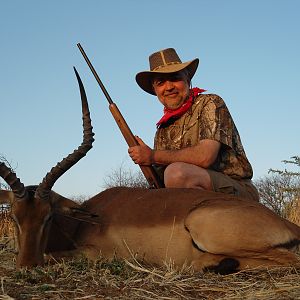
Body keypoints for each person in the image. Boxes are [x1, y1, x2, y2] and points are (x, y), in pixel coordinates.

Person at [128, 48, 259, 201]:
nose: (169, 87)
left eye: (175, 78)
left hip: (235, 188)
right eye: (161, 82)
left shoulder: (210, 103)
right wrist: (145, 161)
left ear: (187, 79)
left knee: (177, 174)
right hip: (193, 191)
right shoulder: (162, 130)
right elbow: (163, 183)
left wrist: (152, 155)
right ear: (155, 89)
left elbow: (205, 157)